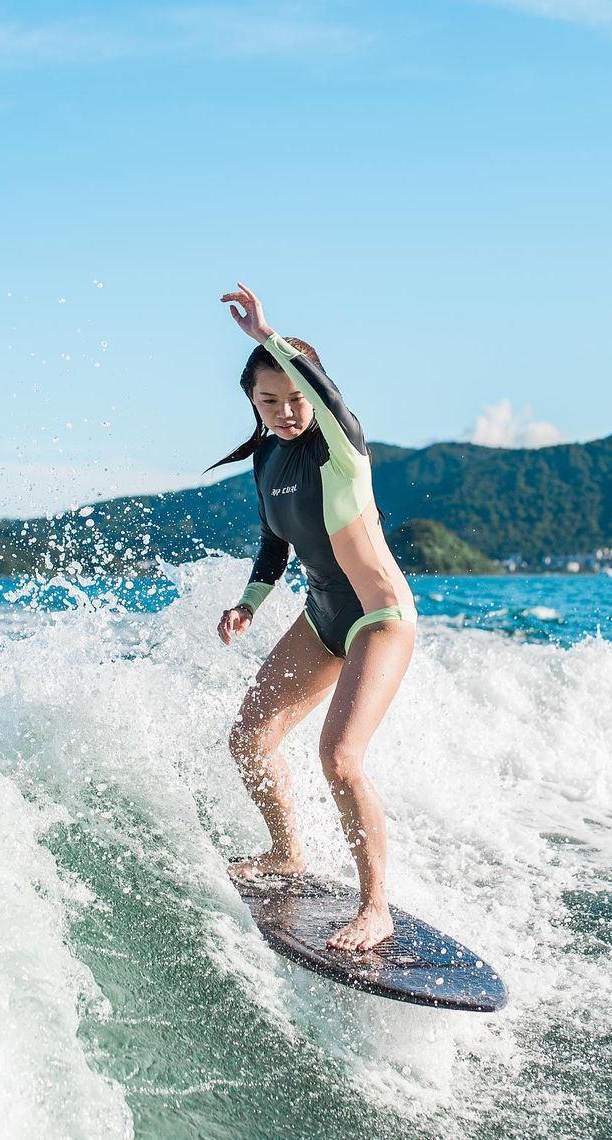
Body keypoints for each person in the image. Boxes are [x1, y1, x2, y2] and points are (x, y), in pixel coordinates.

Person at [209, 282, 417, 953]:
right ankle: (286, 854)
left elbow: (324, 399)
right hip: (323, 616)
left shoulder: (342, 448)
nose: (285, 411)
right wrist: (248, 602)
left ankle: (376, 906)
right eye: (268, 401)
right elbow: (277, 542)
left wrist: (266, 334)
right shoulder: (267, 459)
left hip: (378, 617)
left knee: (340, 757)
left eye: (295, 397)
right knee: (249, 739)